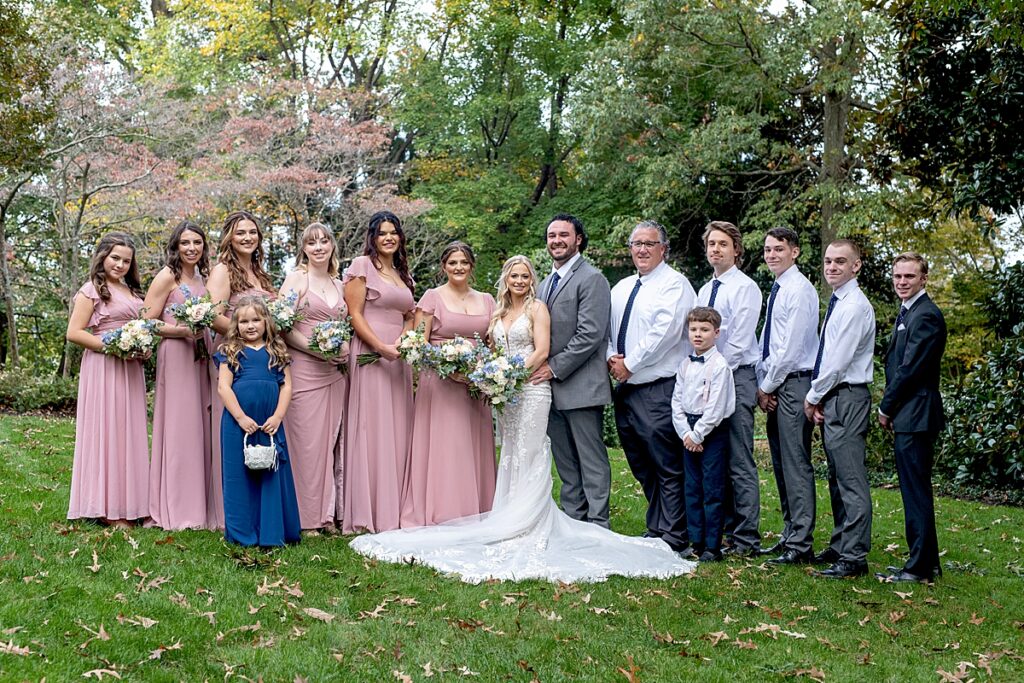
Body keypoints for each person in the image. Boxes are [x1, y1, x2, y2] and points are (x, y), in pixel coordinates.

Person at [349, 256, 695, 583]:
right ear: (506, 279)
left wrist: (512, 375)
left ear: (532, 281)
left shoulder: (537, 308)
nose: (518, 280)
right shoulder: (497, 312)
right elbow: (490, 349)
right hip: (507, 394)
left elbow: (541, 350)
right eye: (513, 275)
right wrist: (492, 374)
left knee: (529, 454)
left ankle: (530, 523)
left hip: (530, 389)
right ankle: (508, 518)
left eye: (525, 276)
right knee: (511, 454)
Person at [608, 220, 696, 552]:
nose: (642, 249)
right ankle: (658, 526)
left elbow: (666, 332)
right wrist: (611, 359)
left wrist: (629, 364)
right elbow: (609, 330)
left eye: (650, 243)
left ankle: (675, 536)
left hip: (659, 386)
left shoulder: (675, 285)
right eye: (636, 243)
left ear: (663, 248)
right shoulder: (621, 287)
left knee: (667, 464)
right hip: (626, 388)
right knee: (641, 463)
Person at [401, 242, 497, 527]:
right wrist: (447, 366)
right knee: (447, 446)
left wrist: (483, 370)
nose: (458, 267)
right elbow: (418, 343)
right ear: (444, 266)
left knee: (472, 445)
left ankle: (477, 509)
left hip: (474, 385)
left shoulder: (488, 300)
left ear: (471, 266)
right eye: (453, 262)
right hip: (441, 384)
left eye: (464, 262)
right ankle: (442, 511)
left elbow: (492, 343)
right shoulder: (432, 297)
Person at [533, 214, 613, 528]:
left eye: (563, 235)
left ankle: (597, 523)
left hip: (581, 386)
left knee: (590, 459)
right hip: (547, 388)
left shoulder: (592, 278)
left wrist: (553, 368)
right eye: (551, 235)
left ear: (578, 239)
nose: (556, 241)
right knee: (565, 461)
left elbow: (590, 334)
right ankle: (574, 520)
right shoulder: (543, 284)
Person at [65, 232, 150, 527]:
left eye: (126, 260)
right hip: (103, 366)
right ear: (102, 257)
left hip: (130, 367)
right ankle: (106, 508)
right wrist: (114, 346)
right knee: (108, 430)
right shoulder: (91, 290)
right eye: (115, 258)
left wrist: (142, 348)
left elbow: (142, 327)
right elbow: (74, 332)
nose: (121, 265)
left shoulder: (132, 292)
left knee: (129, 431)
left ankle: (131, 503)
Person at [804, 239, 876, 579]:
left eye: (840, 262)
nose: (832, 267)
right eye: (828, 261)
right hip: (836, 395)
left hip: (847, 395)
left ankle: (854, 557)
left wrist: (813, 395)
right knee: (836, 476)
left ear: (856, 266)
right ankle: (840, 544)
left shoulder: (853, 307)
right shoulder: (838, 302)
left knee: (850, 479)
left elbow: (837, 362)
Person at [342, 211, 415, 534]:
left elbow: (412, 314)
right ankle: (368, 510)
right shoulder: (361, 267)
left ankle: (397, 507)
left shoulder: (401, 273)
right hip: (371, 355)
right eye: (382, 233)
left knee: (398, 427)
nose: (388, 238)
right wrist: (381, 347)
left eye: (393, 232)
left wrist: (402, 341)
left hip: (400, 358)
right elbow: (355, 315)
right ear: (372, 237)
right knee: (372, 428)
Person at [876, 252, 946, 583]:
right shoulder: (910, 311)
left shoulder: (926, 315)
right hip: (909, 414)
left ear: (923, 279)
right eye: (898, 277)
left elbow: (910, 370)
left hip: (916, 413)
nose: (902, 282)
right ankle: (925, 562)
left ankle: (919, 568)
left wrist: (886, 406)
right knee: (913, 491)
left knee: (916, 492)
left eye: (909, 277)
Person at [206, 211, 276, 531]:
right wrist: (245, 341)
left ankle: (263, 511)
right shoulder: (223, 270)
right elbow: (214, 315)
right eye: (240, 233)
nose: (248, 237)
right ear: (228, 238)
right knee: (237, 432)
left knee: (263, 429)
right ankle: (234, 517)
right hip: (236, 358)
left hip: (264, 357)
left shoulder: (260, 273)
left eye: (252, 232)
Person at [695, 221, 762, 556]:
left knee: (738, 458)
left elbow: (737, 343)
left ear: (736, 249)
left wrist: (714, 374)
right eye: (711, 244)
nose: (716, 250)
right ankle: (722, 529)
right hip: (707, 378)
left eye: (723, 244)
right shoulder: (705, 291)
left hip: (735, 377)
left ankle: (747, 537)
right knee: (714, 457)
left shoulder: (745, 288)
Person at [213, 296, 301, 547]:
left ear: (266, 322)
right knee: (238, 475)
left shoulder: (277, 350)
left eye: (256, 320)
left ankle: (272, 531)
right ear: (235, 325)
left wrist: (278, 416)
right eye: (243, 321)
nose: (250, 326)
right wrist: (240, 418)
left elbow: (287, 387)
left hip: (269, 422)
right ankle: (243, 533)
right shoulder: (229, 351)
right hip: (238, 424)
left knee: (270, 472)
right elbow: (223, 388)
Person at [143, 221, 213, 530]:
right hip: (176, 353)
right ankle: (175, 506)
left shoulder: (204, 278)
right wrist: (180, 331)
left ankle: (201, 504)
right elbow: (148, 322)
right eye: (185, 242)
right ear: (176, 246)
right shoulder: (167, 276)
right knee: (180, 426)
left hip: (202, 354)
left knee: (201, 425)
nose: (192, 248)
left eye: (197, 242)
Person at [756, 228, 820, 566]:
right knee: (781, 462)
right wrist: (765, 382)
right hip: (778, 381)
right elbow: (770, 341)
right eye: (767, 249)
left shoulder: (799, 290)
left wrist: (766, 387)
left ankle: (801, 543)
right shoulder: (778, 288)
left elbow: (792, 349)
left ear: (794, 252)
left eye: (778, 249)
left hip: (793, 382)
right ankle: (789, 532)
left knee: (795, 463)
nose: (771, 255)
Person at [281, 223, 348, 534]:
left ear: (332, 246)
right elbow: (281, 326)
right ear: (303, 249)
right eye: (311, 242)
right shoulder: (297, 279)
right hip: (305, 370)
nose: (319, 246)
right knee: (306, 445)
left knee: (330, 444)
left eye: (324, 241)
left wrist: (341, 350)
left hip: (335, 373)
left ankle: (327, 515)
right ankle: (306, 520)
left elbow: (346, 326)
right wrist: (315, 350)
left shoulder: (339, 284)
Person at [671, 307, 736, 562]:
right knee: (692, 487)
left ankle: (712, 545)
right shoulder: (685, 365)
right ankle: (695, 540)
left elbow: (716, 408)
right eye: (694, 329)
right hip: (688, 429)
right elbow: (676, 402)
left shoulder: (720, 366)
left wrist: (698, 436)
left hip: (712, 430)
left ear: (716, 333)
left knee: (712, 487)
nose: (698, 335)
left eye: (705, 330)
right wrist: (686, 434)